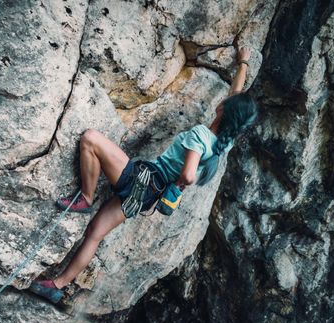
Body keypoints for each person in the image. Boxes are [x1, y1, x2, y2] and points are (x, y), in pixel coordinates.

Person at [29, 46, 259, 304]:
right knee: (95, 231)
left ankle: (86, 197)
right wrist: (243, 63)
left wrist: (185, 180)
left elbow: (189, 172)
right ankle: (56, 285)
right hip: (149, 196)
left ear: (224, 110)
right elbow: (236, 95)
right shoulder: (221, 145)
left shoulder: (201, 136)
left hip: (144, 180)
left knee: (90, 139)